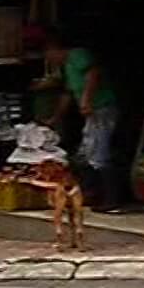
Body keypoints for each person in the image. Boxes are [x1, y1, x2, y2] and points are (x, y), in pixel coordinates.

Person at [40, 28, 121, 208]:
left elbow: (93, 74)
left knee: (99, 153)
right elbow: (68, 94)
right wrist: (55, 118)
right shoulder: (67, 66)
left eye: (49, 53)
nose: (50, 59)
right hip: (92, 113)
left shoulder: (78, 55)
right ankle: (90, 193)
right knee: (84, 154)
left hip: (102, 108)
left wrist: (86, 99)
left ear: (56, 49)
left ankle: (111, 199)